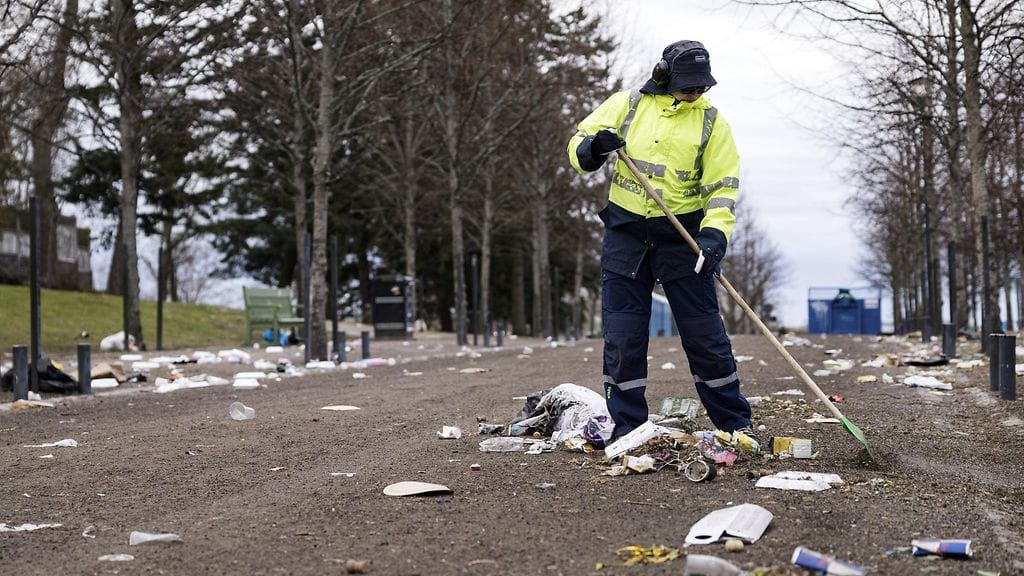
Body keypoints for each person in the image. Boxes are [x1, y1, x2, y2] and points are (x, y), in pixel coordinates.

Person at [567, 40, 756, 445]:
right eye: (688, 86)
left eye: (702, 86)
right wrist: (595, 147)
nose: (696, 93)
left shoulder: (712, 123)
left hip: (682, 238)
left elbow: (722, 189)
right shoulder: (626, 105)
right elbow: (578, 152)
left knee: (706, 338)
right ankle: (629, 428)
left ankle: (734, 425)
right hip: (626, 235)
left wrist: (714, 236)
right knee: (623, 338)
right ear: (663, 76)